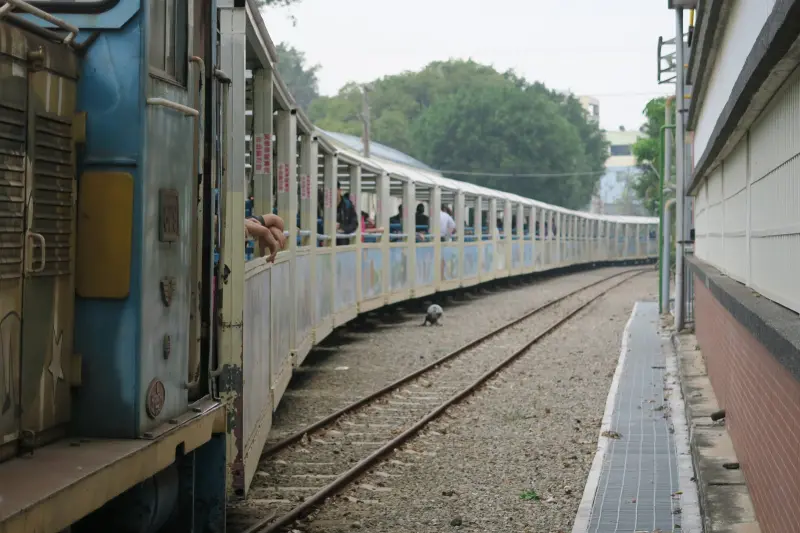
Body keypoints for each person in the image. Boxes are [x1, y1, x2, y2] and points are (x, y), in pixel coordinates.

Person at [336, 181, 358, 245]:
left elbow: (354, 224)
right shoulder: (324, 204)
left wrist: (341, 227)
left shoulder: (348, 205)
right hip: (327, 244)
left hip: (343, 245)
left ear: (339, 191)